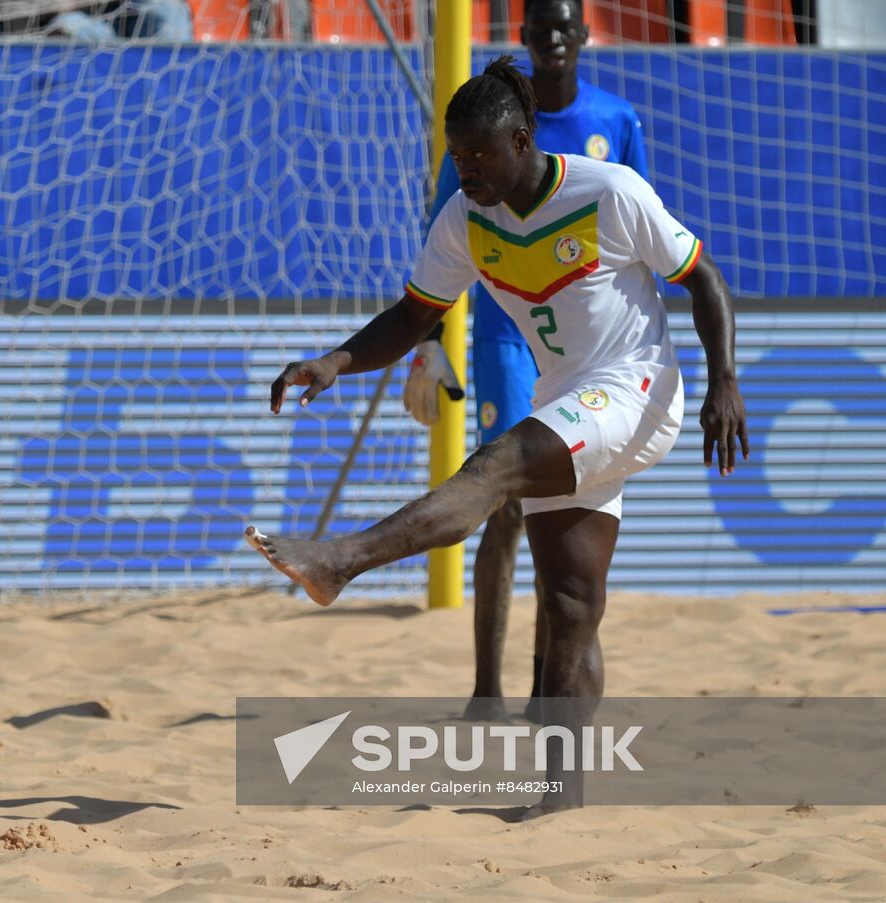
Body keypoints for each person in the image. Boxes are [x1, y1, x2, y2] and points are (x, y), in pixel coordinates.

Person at [245, 56, 747, 815]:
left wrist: (725, 382)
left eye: (478, 155)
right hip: (567, 395)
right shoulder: (465, 219)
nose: (465, 169)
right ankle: (557, 802)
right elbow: (415, 317)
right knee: (570, 600)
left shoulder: (609, 192)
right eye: (455, 156)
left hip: (638, 390)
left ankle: (340, 560)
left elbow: (703, 278)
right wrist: (333, 362)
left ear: (520, 143)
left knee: (494, 467)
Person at [406, 0, 652, 724]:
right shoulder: (482, 130)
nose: (549, 38)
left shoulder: (615, 121)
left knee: (561, 514)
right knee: (507, 500)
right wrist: (428, 344)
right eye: (537, 27)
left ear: (582, 36)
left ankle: (551, 691)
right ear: (524, 39)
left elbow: (644, 236)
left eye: (562, 26)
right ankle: (487, 689)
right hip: (507, 332)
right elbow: (443, 247)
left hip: (589, 349)